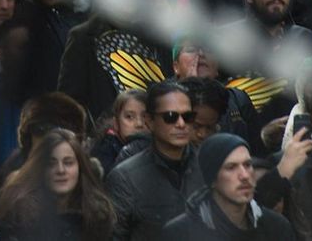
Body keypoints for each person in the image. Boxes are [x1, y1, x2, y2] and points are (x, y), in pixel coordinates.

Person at [106, 80, 206, 241]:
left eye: (188, 117)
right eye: (170, 117)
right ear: (150, 121)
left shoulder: (211, 166)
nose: (181, 124)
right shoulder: (125, 178)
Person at [162, 132, 293, 240]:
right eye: (231, 167)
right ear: (212, 179)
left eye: (247, 165)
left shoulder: (276, 227)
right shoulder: (179, 234)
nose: (244, 175)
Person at [0, 128, 115, 240]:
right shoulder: (17, 215)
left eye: (68, 163)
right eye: (51, 164)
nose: (61, 170)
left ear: (80, 167)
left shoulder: (97, 215)